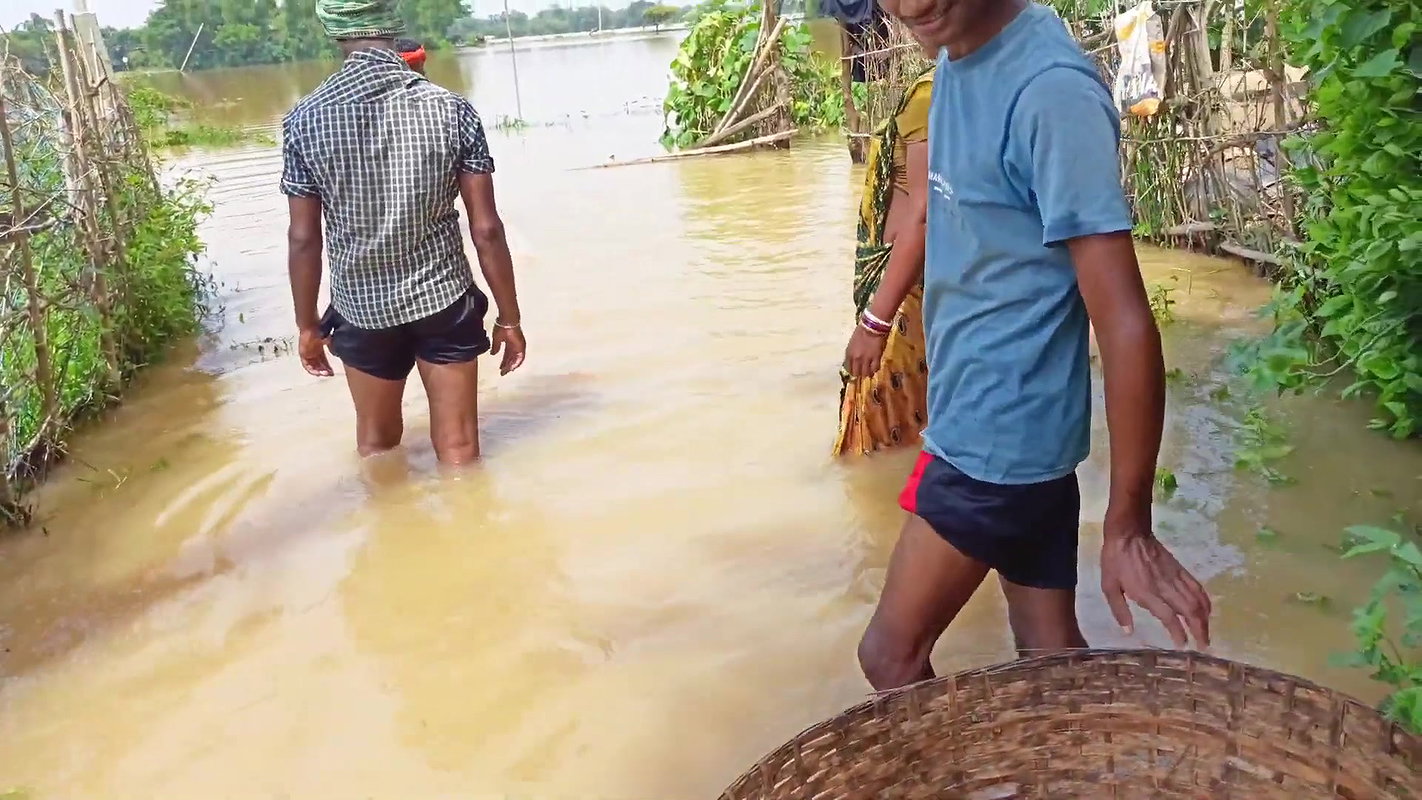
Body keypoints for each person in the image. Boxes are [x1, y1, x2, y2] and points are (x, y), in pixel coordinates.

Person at [856, 0, 1212, 690]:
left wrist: (1128, 524)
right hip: (1020, 436)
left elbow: (1125, 318)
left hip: (995, 441)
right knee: (1050, 655)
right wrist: (878, 317)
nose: (910, 7)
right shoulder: (960, 50)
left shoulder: (1050, 93)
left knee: (888, 657)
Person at [281, 0, 526, 465]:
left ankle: (390, 530)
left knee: (377, 448)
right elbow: (487, 229)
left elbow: (303, 239)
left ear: (334, 29)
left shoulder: (303, 120)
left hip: (361, 307)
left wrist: (307, 325)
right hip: (443, 298)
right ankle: (470, 533)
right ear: (394, 25)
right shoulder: (452, 109)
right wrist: (509, 318)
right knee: (459, 449)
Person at [834, 65, 935, 457]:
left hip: (904, 288)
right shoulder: (955, 85)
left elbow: (924, 214)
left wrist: (875, 323)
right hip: (911, 284)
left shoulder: (930, 96)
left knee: (874, 433)